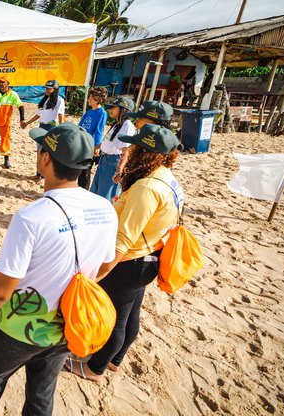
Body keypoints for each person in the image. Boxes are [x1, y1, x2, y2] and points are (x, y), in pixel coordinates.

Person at [0, 124, 117, 416]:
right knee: (41, 393)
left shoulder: (31, 217)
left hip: (18, 330)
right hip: (69, 324)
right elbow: (106, 264)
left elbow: (0, 294)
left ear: (46, 160)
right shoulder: (105, 208)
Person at [65, 124, 182, 382]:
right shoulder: (167, 178)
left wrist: (99, 273)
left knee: (116, 317)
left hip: (130, 262)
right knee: (130, 313)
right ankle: (115, 361)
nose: (129, 149)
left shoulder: (147, 188)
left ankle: (95, 368)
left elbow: (124, 238)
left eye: (135, 146)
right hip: (148, 257)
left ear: (147, 152)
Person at [89, 97, 135, 201]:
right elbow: (108, 141)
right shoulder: (117, 124)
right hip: (104, 159)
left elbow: (126, 151)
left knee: (105, 196)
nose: (111, 110)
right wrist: (96, 148)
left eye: (114, 108)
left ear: (123, 110)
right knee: (95, 192)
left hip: (113, 162)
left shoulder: (127, 126)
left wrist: (119, 171)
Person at [77, 87, 109, 189]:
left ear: (98, 99)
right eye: (90, 96)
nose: (89, 98)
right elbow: (80, 127)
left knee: (85, 173)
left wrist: (96, 148)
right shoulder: (88, 112)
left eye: (92, 97)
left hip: (90, 146)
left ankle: (83, 194)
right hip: (81, 144)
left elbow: (99, 131)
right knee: (77, 170)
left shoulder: (102, 113)